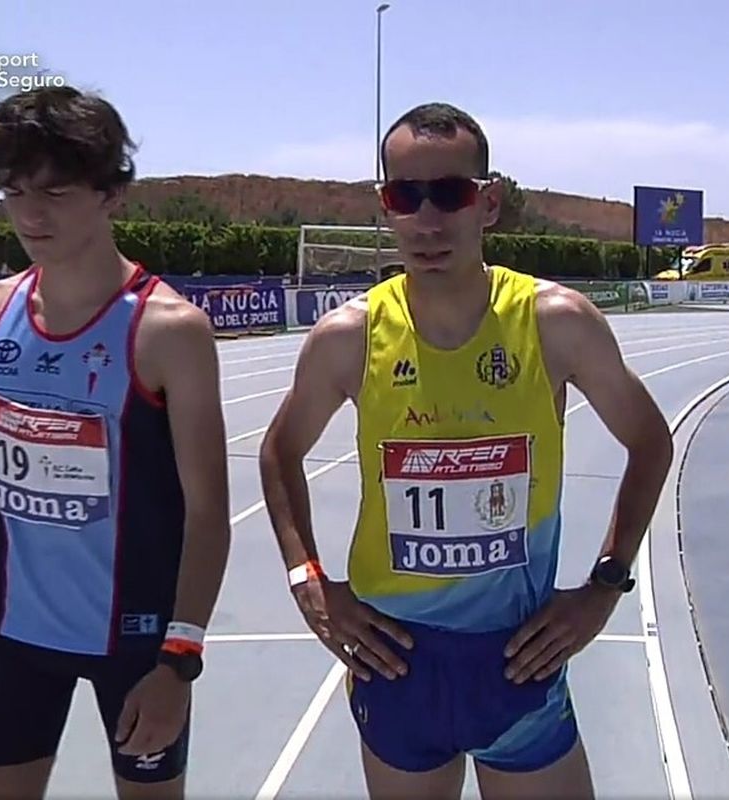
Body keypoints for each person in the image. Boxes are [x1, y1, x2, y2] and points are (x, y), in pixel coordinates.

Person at [258, 102, 674, 798]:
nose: (426, 220)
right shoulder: (349, 337)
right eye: (404, 195)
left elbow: (650, 442)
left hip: (517, 663)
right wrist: (308, 579)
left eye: (448, 193)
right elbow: (278, 452)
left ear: (488, 203)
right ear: (384, 206)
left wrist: (605, 585)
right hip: (398, 664)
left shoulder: (555, 324)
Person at [0, 86, 232, 800]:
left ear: (112, 194)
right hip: (12, 639)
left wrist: (179, 660)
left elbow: (208, 514)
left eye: (57, 192)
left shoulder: (169, 331)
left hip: (136, 648)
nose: (31, 215)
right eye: (13, 192)